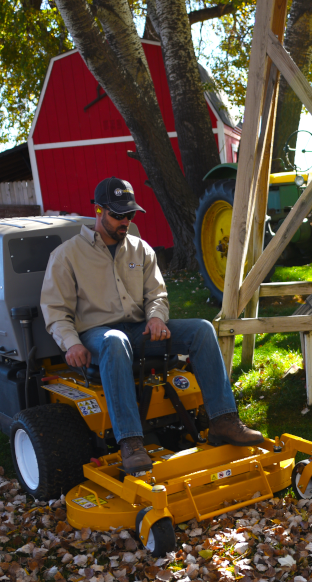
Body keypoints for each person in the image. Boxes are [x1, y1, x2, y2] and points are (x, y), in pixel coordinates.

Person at [40, 177, 266, 476]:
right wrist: (72, 343)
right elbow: (55, 309)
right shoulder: (67, 255)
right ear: (98, 210)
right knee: (114, 340)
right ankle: (131, 442)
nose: (125, 221)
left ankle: (223, 420)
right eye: (118, 215)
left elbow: (156, 295)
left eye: (130, 215)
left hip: (138, 330)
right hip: (97, 334)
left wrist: (157, 317)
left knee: (202, 329)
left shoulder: (141, 249)